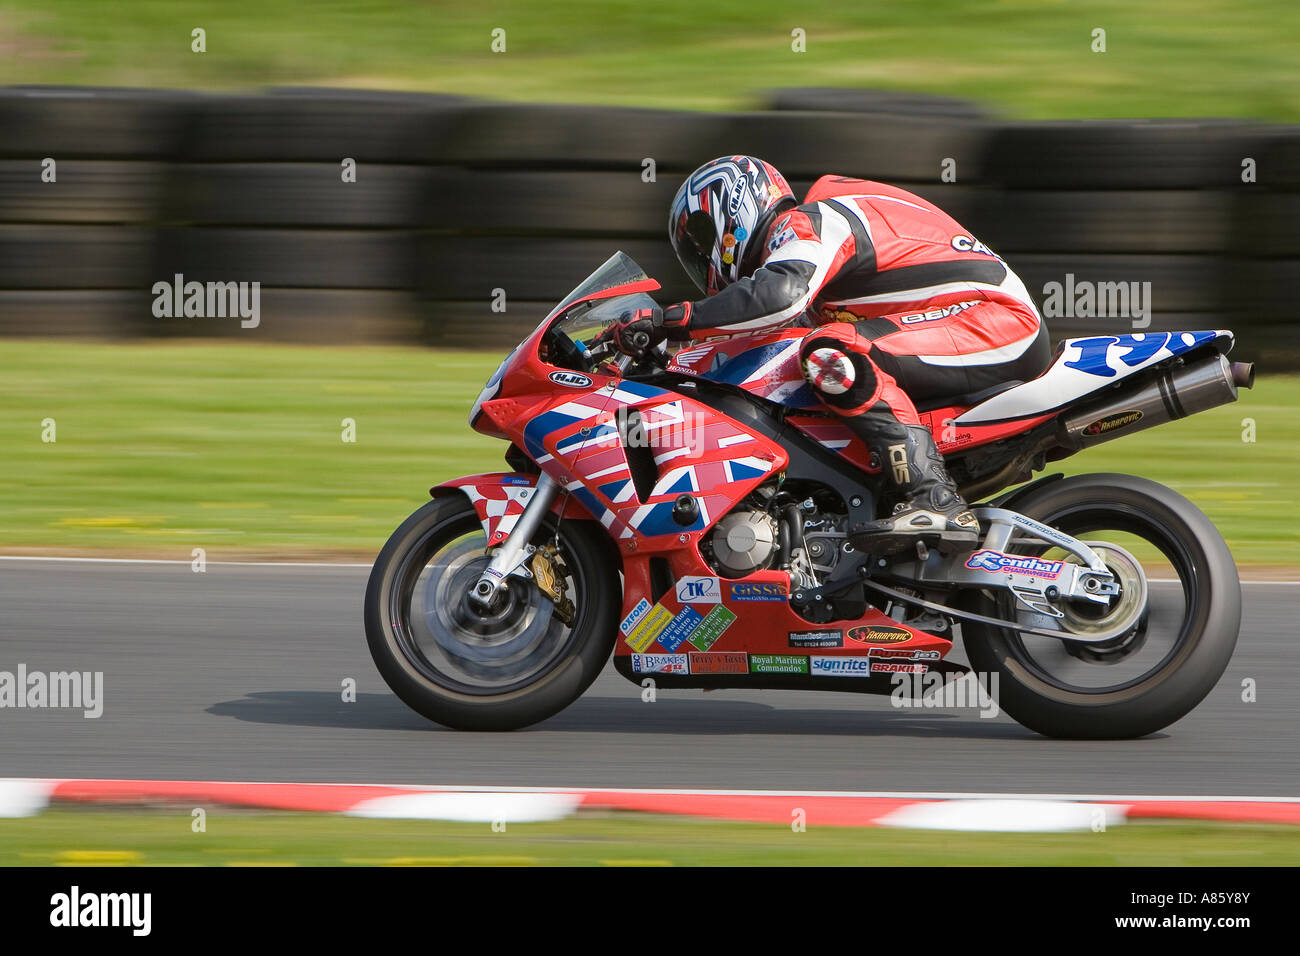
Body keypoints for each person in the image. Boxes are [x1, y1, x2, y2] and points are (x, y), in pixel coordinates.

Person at [611, 155, 1051, 554]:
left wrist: (669, 319)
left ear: (735, 205)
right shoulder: (809, 246)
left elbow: (779, 296)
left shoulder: (809, 221)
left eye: (702, 240)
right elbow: (765, 329)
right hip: (960, 324)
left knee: (829, 351)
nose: (703, 258)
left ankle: (934, 498)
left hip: (992, 320)